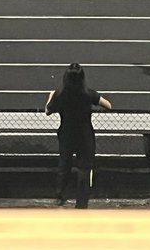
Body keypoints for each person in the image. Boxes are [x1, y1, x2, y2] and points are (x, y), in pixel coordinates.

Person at [45, 63, 112, 208]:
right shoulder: (87, 94)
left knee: (64, 165)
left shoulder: (60, 94)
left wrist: (51, 96)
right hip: (84, 134)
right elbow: (108, 105)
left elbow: (48, 111)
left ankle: (60, 195)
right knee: (84, 168)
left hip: (66, 134)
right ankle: (81, 202)